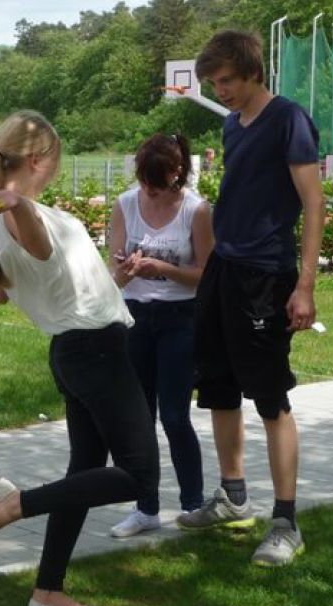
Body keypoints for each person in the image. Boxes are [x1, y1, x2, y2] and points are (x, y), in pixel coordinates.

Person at [0, 110, 160, 606]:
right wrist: (18, 203)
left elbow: (11, 290)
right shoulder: (24, 217)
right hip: (96, 352)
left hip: (78, 350)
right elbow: (40, 246)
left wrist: (116, 280)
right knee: (138, 476)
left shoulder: (2, 225)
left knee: (83, 473)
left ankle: (47, 593)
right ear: (40, 159)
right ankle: (12, 504)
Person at [175, 30, 326, 567]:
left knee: (270, 398)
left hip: (266, 275)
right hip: (224, 269)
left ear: (253, 72)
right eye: (214, 83)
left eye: (227, 81)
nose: (221, 91)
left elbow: (314, 204)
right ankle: (232, 495)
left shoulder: (289, 119)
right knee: (217, 388)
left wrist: (304, 285)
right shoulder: (231, 124)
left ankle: (286, 522)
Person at [107, 133, 213, 538]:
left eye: (157, 183)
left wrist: (163, 269)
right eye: (144, 182)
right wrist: (126, 269)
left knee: (174, 415)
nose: (148, 191)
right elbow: (114, 269)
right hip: (135, 317)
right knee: (139, 418)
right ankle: (145, 507)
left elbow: (206, 274)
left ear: (176, 173)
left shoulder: (196, 210)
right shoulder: (125, 204)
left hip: (179, 319)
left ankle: (193, 504)